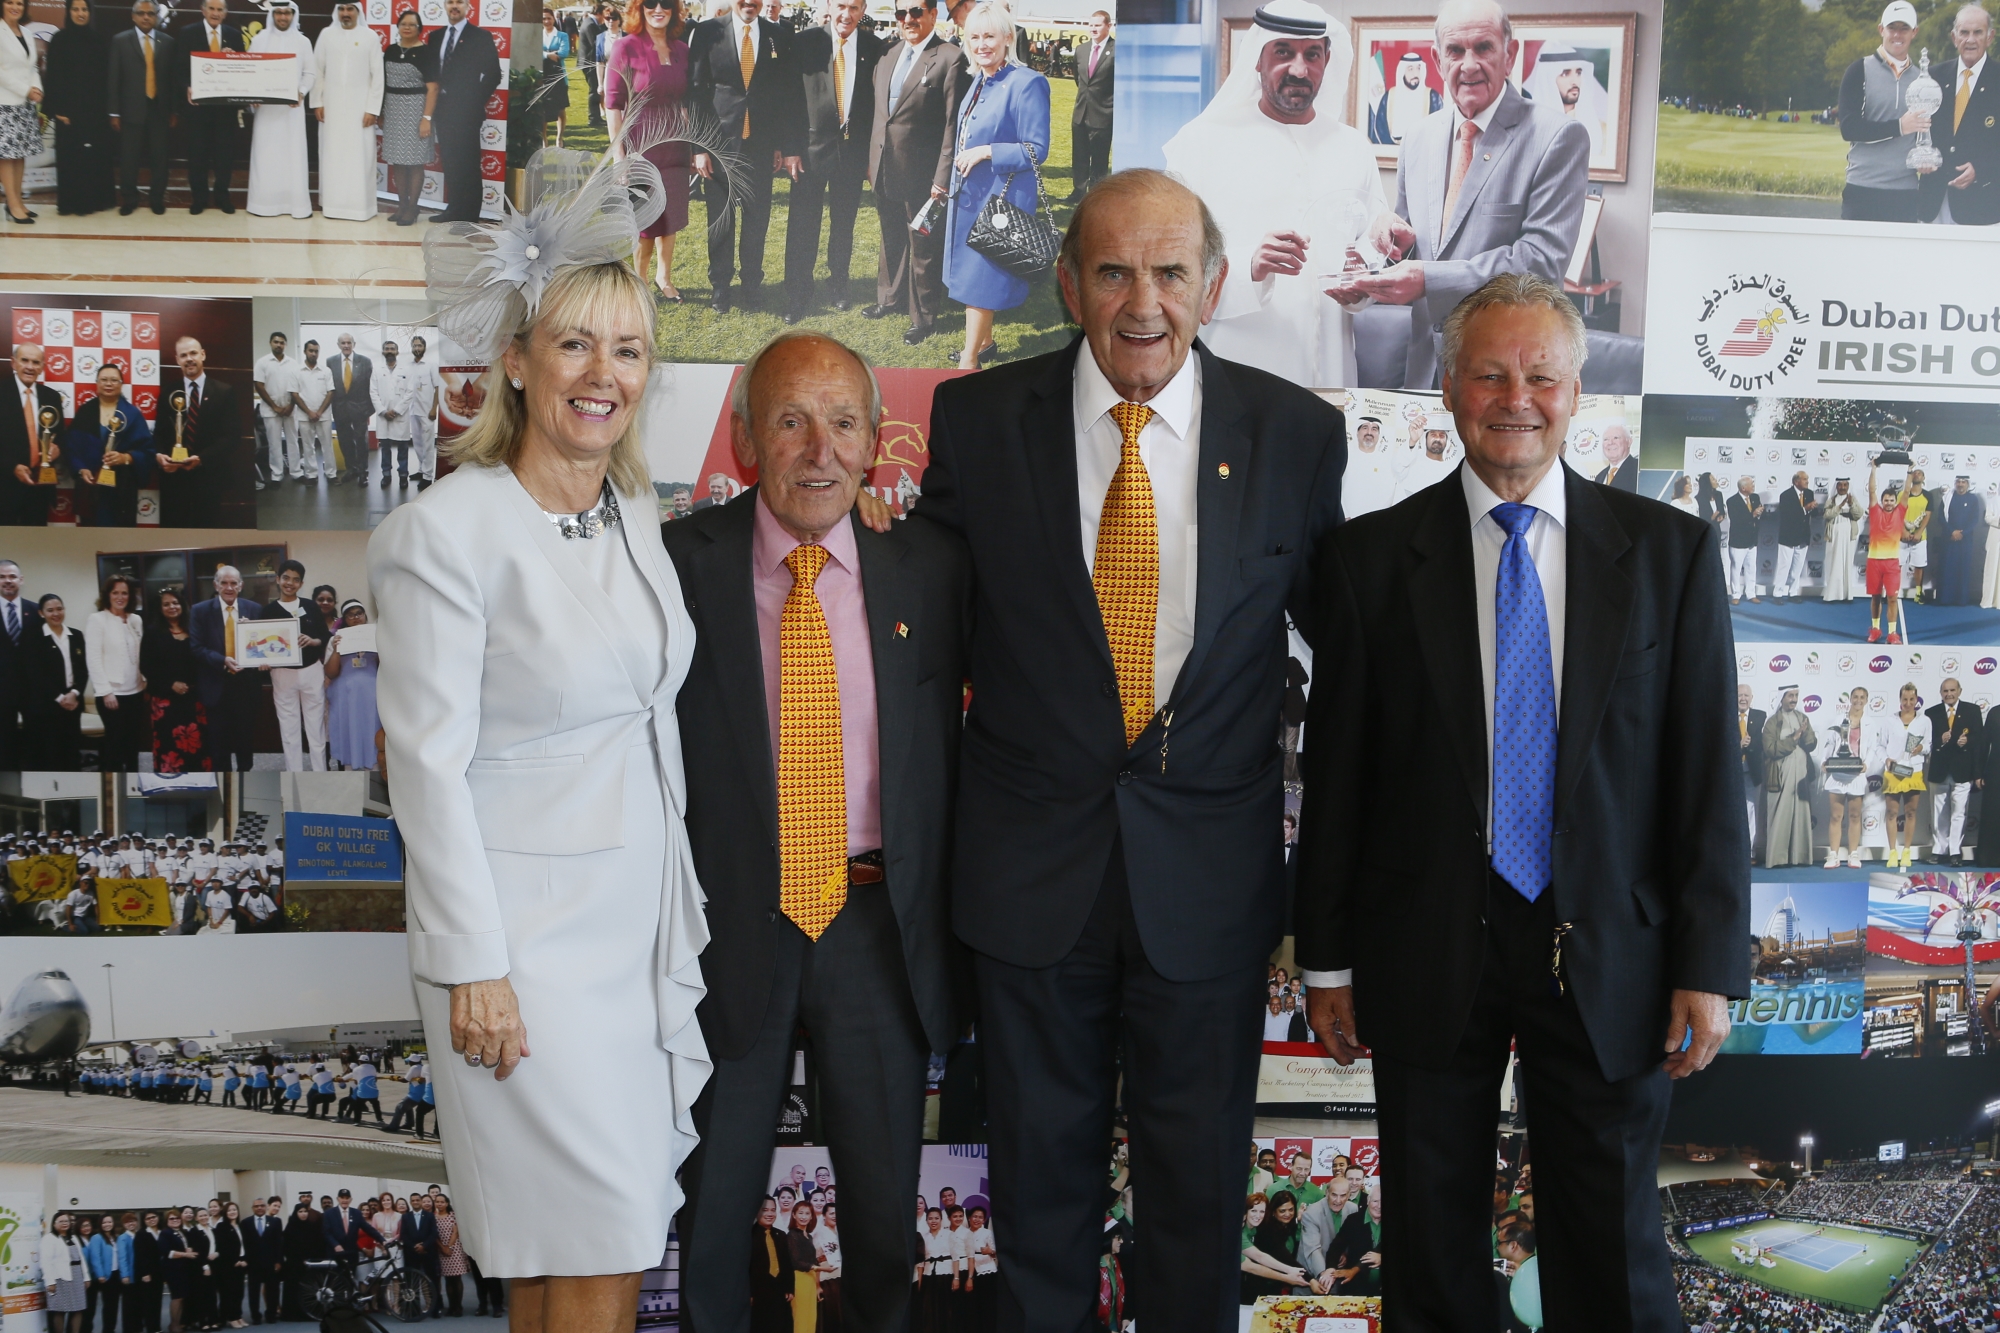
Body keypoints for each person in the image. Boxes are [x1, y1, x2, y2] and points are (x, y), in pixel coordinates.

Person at [911, 168, 1344, 1329]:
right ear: (1066, 285)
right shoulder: (977, 423)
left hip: (1205, 889)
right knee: (1037, 1201)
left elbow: (1347, 651)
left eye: (1166, 272)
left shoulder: (1294, 434)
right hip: (1027, 884)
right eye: (1111, 271)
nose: (1140, 302)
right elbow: (920, 636)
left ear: (1209, 285)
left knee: (1197, 1203)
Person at [1297, 273, 1747, 1332]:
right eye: (1489, 373)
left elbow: (1702, 777)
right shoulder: (1367, 561)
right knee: (1429, 1241)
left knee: (1613, 1249)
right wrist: (1325, 958)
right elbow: (1338, 775)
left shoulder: (1667, 556)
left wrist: (1706, 963)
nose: (1515, 396)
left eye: (1539, 374)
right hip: (1423, 947)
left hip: (1610, 954)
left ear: (1576, 390)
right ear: (1447, 388)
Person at [369, 165, 709, 1330]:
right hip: (523, 954)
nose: (601, 376)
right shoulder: (442, 532)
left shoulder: (633, 513)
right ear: (516, 359)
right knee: (591, 1241)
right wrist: (474, 964)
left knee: (589, 1249)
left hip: (632, 930)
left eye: (625, 350)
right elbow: (424, 762)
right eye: (573, 346)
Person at [664, 332, 966, 1333]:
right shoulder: (673, 567)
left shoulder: (928, 568)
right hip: (728, 932)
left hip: (877, 928)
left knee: (885, 1220)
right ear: (747, 439)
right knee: (708, 1213)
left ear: (877, 442)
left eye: (842, 424)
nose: (817, 450)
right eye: (789, 420)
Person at [1354, 0, 1590, 390]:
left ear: (1509, 54)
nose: (1468, 64)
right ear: (1437, 59)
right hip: (1423, 368)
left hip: (1508, 372)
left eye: (1483, 47)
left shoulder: (1557, 136)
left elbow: (1542, 262)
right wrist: (1390, 240)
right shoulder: (1417, 137)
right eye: (1455, 50)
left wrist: (1428, 278)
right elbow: (1413, 248)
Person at [1161, 0, 1385, 389]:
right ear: (1258, 58)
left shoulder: (1353, 148)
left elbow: (1370, 254)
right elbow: (1168, 267)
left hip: (1331, 379)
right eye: (1283, 52)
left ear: (1326, 59)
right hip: (1235, 374)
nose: (1299, 69)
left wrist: (1362, 281)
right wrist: (1250, 267)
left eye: (1312, 54)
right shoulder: (1200, 144)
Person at [941, 4, 1049, 371]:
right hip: (970, 196)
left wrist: (987, 151)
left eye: (989, 36)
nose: (982, 44)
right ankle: (985, 342)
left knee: (979, 280)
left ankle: (968, 361)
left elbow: (1037, 149)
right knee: (973, 277)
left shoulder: (1028, 82)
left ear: (1008, 38)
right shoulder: (979, 78)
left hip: (1001, 199)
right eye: (974, 37)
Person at [689, 0, 805, 312]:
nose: (749, 2)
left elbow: (784, 95)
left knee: (757, 220)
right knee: (721, 220)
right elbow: (697, 92)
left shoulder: (777, 35)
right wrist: (699, 148)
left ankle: (752, 284)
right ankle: (721, 287)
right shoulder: (707, 32)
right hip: (718, 146)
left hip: (760, 147)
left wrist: (781, 144)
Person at [863, 0, 968, 343]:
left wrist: (942, 177)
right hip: (883, 168)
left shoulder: (950, 58)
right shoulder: (888, 54)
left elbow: (953, 126)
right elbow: (881, 116)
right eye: (901, 13)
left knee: (923, 246)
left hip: (924, 174)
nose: (908, 19)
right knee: (890, 237)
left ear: (933, 15)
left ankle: (923, 318)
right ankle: (889, 299)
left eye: (916, 12)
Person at [782, 0, 882, 322]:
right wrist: (791, 148)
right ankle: (798, 292)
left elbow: (875, 108)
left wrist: (871, 156)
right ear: (828, 5)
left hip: (852, 155)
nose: (846, 14)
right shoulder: (805, 42)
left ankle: (838, 284)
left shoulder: (874, 48)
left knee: (844, 224)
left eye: (854, 7)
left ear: (863, 9)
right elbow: (790, 99)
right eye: (841, 5)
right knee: (802, 225)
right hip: (809, 154)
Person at [604, 0, 694, 302]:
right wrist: (620, 156)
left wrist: (690, 145)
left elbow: (685, 102)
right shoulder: (625, 47)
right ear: (639, 9)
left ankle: (664, 277)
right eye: (651, 3)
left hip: (676, 146)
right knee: (645, 220)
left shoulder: (682, 49)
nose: (659, 8)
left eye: (666, 3)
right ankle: (639, 280)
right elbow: (613, 105)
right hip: (641, 145)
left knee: (672, 216)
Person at [1839, 0, 1935, 222]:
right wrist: (1900, 126)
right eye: (1892, 28)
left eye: (1904, 28)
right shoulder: (1858, 71)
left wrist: (1929, 158)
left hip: (1906, 192)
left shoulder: (1924, 80)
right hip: (1862, 189)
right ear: (1881, 29)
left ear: (1915, 32)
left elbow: (1929, 132)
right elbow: (1849, 128)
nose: (1897, 35)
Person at [426, 0, 504, 222]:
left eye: (459, 2)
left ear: (468, 6)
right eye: (450, 2)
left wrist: (473, 100)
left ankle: (469, 216)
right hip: (442, 110)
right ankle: (453, 209)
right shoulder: (436, 37)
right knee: (450, 160)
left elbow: (493, 75)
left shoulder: (480, 37)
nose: (454, 6)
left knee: (468, 162)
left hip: (467, 112)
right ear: (445, 6)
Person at [190, 565, 267, 772]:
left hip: (246, 686)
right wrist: (222, 660)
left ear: (241, 586)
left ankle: (245, 772)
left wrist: (263, 657)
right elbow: (196, 647)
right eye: (224, 583)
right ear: (216, 585)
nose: (229, 587)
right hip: (216, 685)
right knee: (218, 741)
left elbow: (263, 644)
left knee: (245, 738)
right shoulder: (200, 611)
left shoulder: (255, 609)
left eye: (233, 583)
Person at [313, 1, 385, 223]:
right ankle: (332, 204)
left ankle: (360, 207)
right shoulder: (326, 34)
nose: (346, 13)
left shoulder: (370, 36)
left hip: (360, 110)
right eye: (342, 9)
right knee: (332, 154)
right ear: (337, 12)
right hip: (331, 109)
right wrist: (318, 102)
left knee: (359, 156)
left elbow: (378, 76)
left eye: (350, 9)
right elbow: (318, 70)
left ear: (357, 12)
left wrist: (372, 109)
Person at [42, 0, 115, 217]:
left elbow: (105, 79)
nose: (80, 13)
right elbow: (53, 76)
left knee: (93, 157)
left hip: (94, 111)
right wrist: (58, 109)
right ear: (68, 12)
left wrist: (106, 110)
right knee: (70, 157)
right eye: (76, 9)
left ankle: (94, 201)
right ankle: (71, 203)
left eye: (84, 9)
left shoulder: (98, 40)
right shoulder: (59, 39)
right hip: (68, 112)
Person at [246, 0, 315, 219]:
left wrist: (301, 92)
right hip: (266, 113)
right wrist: (252, 96)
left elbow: (310, 74)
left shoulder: (303, 42)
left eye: (287, 13)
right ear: (272, 15)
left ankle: (295, 205)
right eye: (279, 13)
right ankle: (262, 204)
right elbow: (249, 71)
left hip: (291, 112)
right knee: (265, 157)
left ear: (293, 15)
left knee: (292, 156)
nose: (283, 17)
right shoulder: (259, 39)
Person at [1929, 3, 1997, 225]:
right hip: (1934, 203)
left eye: (1978, 32)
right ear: (1953, 37)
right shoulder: (1932, 78)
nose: (1970, 39)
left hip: (1983, 206)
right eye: (1964, 32)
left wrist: (1981, 169)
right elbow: (1920, 131)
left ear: (1990, 36)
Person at [260, 558, 330, 771]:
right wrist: (262, 662)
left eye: (296, 580)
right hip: (283, 674)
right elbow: (262, 646)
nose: (290, 583)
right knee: (289, 730)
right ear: (278, 579)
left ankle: (320, 773)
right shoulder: (268, 611)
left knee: (316, 729)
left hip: (311, 672)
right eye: (286, 578)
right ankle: (295, 773)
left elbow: (323, 637)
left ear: (301, 583)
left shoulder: (310, 606)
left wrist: (313, 640)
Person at [109, 0, 177, 217]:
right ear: (133, 16)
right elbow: (113, 79)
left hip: (160, 110)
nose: (146, 17)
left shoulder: (168, 42)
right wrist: (114, 112)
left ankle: (157, 199)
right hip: (130, 110)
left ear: (157, 16)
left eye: (151, 13)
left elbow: (172, 80)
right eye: (141, 13)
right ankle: (129, 199)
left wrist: (174, 110)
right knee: (129, 159)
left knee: (160, 158)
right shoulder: (120, 41)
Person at [64, 363, 153, 528]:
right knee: (91, 538)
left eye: (114, 380)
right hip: (91, 488)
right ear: (97, 384)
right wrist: (80, 469)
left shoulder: (132, 414)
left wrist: (126, 458)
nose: (109, 384)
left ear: (121, 384)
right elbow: (71, 448)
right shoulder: (85, 411)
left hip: (122, 489)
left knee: (120, 541)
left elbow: (147, 452)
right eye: (104, 380)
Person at [176, 0, 244, 213]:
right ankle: (199, 198)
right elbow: (177, 68)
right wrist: (187, 85)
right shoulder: (188, 33)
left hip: (225, 109)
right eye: (211, 9)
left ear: (225, 13)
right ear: (203, 10)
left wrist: (232, 60)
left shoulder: (234, 35)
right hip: (198, 109)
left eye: (219, 10)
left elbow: (242, 69)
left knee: (224, 156)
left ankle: (222, 197)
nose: (215, 13)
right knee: (198, 156)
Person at [160, 337, 234, 530]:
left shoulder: (224, 392)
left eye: (193, 353)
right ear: (177, 360)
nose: (189, 359)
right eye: (183, 355)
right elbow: (159, 435)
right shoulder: (168, 391)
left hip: (209, 477)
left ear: (203, 354)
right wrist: (159, 456)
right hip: (175, 481)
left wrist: (201, 458)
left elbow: (232, 438)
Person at [141, 585, 209, 774]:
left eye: (175, 603)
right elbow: (146, 666)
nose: (172, 607)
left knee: (196, 744)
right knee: (169, 746)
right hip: (165, 700)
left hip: (193, 699)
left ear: (182, 605)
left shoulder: (194, 629)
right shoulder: (153, 632)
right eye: (166, 604)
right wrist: (171, 684)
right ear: (160, 608)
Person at [381, 11, 440, 226]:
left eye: (412, 25)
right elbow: (383, 84)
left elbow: (433, 88)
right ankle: (402, 205)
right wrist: (381, 112)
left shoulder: (427, 52)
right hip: (394, 110)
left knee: (414, 162)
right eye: (403, 24)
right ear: (397, 26)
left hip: (417, 110)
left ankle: (413, 207)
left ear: (419, 28)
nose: (407, 28)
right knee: (398, 161)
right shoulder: (390, 50)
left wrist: (426, 118)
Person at [84, 574, 146, 772]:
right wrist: (105, 691)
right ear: (107, 595)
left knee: (134, 744)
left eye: (125, 593)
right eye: (115, 592)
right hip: (112, 695)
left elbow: (140, 655)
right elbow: (93, 659)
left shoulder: (135, 620)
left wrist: (145, 684)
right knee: (115, 746)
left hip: (136, 692)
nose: (120, 597)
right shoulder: (97, 620)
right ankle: (114, 785)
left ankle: (135, 783)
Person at [2, 343, 65, 526]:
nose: (30, 366)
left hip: (40, 488)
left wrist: (57, 449)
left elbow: (60, 435)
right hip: (5, 486)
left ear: (42, 367)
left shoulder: (52, 397)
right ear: (13, 363)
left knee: (36, 546)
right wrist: (12, 467)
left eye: (36, 362)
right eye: (24, 360)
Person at [23, 592, 87, 769]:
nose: (56, 613)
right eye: (50, 610)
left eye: (59, 609)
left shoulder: (76, 636)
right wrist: (60, 698)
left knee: (72, 752)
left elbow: (83, 670)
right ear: (41, 613)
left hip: (73, 705)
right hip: (48, 707)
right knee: (52, 754)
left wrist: (74, 694)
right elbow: (36, 674)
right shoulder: (34, 638)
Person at [1927, 677, 1981, 865]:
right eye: (1945, 691)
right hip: (1939, 770)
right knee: (1939, 812)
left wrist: (1968, 742)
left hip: (1962, 770)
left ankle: (1955, 851)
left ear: (1959, 691)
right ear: (1941, 693)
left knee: (1959, 812)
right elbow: (1926, 742)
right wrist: (1939, 740)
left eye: (1952, 690)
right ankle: (1939, 850)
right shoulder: (1931, 713)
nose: (1949, 694)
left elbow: (1979, 739)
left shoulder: (1972, 710)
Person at [1762, 685, 1817, 868]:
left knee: (1801, 814)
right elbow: (1770, 750)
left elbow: (1810, 746)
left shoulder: (1803, 718)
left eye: (1796, 695)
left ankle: (1800, 857)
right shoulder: (1772, 722)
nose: (1794, 699)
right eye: (1790, 696)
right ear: (1782, 698)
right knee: (1780, 815)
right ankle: (1777, 859)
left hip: (1801, 775)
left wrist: (1806, 734)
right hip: (1780, 775)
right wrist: (1793, 738)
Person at [1821, 686, 1874, 870]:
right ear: (1850, 699)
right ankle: (1833, 855)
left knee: (1854, 816)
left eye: (1862, 697)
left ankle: (1853, 854)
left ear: (1866, 700)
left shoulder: (1869, 723)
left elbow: (1872, 748)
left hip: (1856, 774)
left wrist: (1866, 763)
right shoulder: (1839, 720)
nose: (1858, 700)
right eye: (1855, 697)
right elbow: (1830, 742)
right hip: (1837, 773)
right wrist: (1825, 761)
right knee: (1836, 816)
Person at [0, 0, 40, 228]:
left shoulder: (26, 32)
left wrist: (37, 88)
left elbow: (32, 67)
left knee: (20, 153)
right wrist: (26, 90)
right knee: (7, 155)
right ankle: (12, 203)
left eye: (19, 3)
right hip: (4, 102)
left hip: (24, 104)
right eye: (9, 2)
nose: (15, 7)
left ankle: (16, 202)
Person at [1883, 681, 1930, 870]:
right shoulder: (1889, 720)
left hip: (1914, 771)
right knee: (1892, 813)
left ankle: (1907, 851)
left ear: (1917, 700)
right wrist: (1886, 759)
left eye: (1912, 699)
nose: (1908, 702)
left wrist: (1922, 748)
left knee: (1910, 812)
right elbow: (1880, 745)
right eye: (1905, 699)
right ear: (1900, 700)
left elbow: (1929, 745)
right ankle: (1892, 851)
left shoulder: (1925, 721)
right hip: (1893, 771)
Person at [1069, 10, 1111, 199]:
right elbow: (1079, 79)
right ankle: (1078, 191)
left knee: (1100, 159)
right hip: (1081, 112)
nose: (1093, 29)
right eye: (1091, 25)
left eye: (1098, 25)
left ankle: (1096, 195)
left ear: (1108, 26)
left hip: (1103, 114)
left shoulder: (1117, 50)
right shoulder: (1081, 49)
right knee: (1079, 155)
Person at [1867, 464, 1910, 642]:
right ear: (1882, 501)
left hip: (1892, 562)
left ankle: (1892, 633)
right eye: (1886, 500)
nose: (1889, 503)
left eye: (1892, 500)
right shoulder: (1875, 511)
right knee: (1876, 598)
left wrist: (1909, 471)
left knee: (1892, 598)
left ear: (1895, 501)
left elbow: (1906, 492)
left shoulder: (1900, 512)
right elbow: (1871, 491)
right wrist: (1874, 469)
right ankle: (1876, 629)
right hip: (1874, 561)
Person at [255, 331, 303, 485]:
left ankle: (296, 472)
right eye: (276, 342)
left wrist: (290, 405)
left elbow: (297, 387)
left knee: (293, 441)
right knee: (274, 443)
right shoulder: (262, 362)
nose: (279, 345)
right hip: (270, 410)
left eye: (282, 342)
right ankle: (277, 474)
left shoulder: (293, 363)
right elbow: (259, 386)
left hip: (290, 408)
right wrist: (274, 406)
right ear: (270, 343)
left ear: (285, 345)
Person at [370, 339, 419, 489]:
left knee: (403, 448)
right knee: (385, 448)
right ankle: (386, 475)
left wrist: (397, 410)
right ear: (383, 352)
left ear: (397, 352)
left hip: (400, 416)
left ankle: (403, 475)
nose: (390, 351)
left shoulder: (406, 370)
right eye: (387, 349)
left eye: (392, 349)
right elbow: (373, 392)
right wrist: (383, 411)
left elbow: (411, 392)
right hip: (383, 416)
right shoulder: (377, 370)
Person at [326, 334, 374, 485]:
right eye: (343, 343)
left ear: (354, 344)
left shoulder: (365, 361)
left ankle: (363, 472)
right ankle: (351, 469)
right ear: (338, 344)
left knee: (361, 441)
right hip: (340, 409)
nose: (346, 345)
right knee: (345, 441)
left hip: (360, 409)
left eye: (349, 343)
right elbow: (329, 385)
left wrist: (369, 410)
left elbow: (370, 387)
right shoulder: (330, 362)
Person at [1370, 50, 1440, 145]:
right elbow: (1380, 127)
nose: (1415, 74)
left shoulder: (1432, 97)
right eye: (1410, 69)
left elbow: (1437, 128)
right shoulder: (1390, 96)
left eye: (1418, 69)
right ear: (1402, 71)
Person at [291, 339, 336, 481]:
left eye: (316, 351)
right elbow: (294, 394)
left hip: (324, 415)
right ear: (305, 351)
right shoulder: (296, 371)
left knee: (327, 445)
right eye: (311, 351)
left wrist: (319, 412)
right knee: (308, 446)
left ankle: (331, 474)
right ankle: (311, 475)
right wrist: (309, 412)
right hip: (305, 416)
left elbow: (330, 393)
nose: (313, 354)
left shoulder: (326, 370)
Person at [1939, 474, 1987, 604]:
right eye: (1958, 482)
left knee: (1963, 570)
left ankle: (1961, 600)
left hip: (1965, 541)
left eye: (1963, 482)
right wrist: (1952, 531)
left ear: (1968, 484)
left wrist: (1963, 533)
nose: (1960, 484)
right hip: (1949, 539)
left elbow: (1974, 519)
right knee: (1948, 569)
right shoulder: (1947, 498)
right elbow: (1941, 517)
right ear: (1955, 483)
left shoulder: (1973, 499)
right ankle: (1946, 599)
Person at [1771, 471, 1817, 602]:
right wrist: (1805, 508)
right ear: (1796, 481)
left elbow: (1810, 515)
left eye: (1807, 479)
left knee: (1798, 566)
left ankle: (1793, 592)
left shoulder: (1809, 493)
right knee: (1784, 565)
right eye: (1804, 479)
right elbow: (1787, 515)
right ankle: (1778, 594)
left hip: (1803, 536)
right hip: (1788, 536)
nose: (1807, 481)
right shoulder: (1786, 495)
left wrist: (1813, 509)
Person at [407, 335, 444, 489]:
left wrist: (434, 408)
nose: (417, 349)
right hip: (412, 410)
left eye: (419, 346)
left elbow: (438, 388)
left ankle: (428, 477)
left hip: (427, 411)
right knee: (417, 443)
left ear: (424, 347)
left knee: (428, 444)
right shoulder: (408, 366)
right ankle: (421, 470)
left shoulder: (431, 365)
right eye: (414, 346)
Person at [241, 1197, 285, 1326]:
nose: (259, 1208)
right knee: (253, 1292)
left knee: (272, 1290)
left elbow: (279, 1243)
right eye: (256, 1206)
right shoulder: (245, 1223)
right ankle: (256, 1316)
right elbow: (243, 1244)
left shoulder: (275, 1222)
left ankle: (271, 1314)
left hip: (271, 1263)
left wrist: (278, 1261)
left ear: (266, 1207)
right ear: (252, 1208)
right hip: (253, 1264)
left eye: (261, 1205)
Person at [44, 1213, 88, 1332]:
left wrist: (86, 1277)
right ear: (54, 1223)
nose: (64, 1223)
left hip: (77, 1276)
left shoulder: (73, 1238)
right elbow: (45, 1262)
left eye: (67, 1221)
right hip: (60, 1277)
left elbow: (81, 1259)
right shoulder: (49, 1238)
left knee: (78, 1308)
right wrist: (50, 1282)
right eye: (61, 1221)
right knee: (60, 1309)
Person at [1820, 477, 1863, 601]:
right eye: (1840, 485)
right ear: (1836, 486)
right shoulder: (1831, 500)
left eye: (1845, 485)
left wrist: (1850, 504)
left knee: (1846, 563)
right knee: (1833, 564)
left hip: (1848, 535)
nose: (1843, 487)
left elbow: (1858, 515)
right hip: (1834, 535)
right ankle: (1832, 595)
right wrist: (1839, 507)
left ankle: (1847, 595)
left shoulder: (1852, 499)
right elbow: (1827, 515)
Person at [1725, 476, 1762, 604]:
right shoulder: (1732, 501)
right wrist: (1753, 514)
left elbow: (1758, 515)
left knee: (1751, 568)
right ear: (1743, 488)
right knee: (1736, 568)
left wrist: (1759, 513)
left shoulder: (1755, 498)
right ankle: (1735, 594)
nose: (1753, 486)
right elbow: (1736, 520)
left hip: (1752, 540)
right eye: (1751, 484)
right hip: (1738, 541)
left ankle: (1751, 593)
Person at [539, 7, 571, 147]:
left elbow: (564, 53)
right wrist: (548, 55)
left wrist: (544, 53)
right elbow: (534, 51)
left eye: (549, 18)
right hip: (542, 75)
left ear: (554, 19)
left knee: (561, 108)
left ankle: (559, 137)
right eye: (544, 18)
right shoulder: (538, 35)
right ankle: (544, 138)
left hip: (558, 76)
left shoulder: (562, 35)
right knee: (543, 108)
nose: (547, 21)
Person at [213, 1201, 247, 1328]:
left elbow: (245, 1246)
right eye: (229, 1210)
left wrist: (245, 1259)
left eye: (234, 1209)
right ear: (225, 1213)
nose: (232, 1212)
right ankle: (231, 1318)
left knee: (239, 1293)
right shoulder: (221, 1226)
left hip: (241, 1264)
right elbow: (222, 1247)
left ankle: (238, 1316)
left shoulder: (240, 1226)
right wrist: (234, 1260)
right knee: (228, 1294)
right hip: (228, 1266)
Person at [435, 1196, 469, 1317]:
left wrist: (448, 1246)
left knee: (457, 1279)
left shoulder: (453, 1215)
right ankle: (451, 1306)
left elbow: (456, 1232)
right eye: (437, 1202)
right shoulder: (434, 1217)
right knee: (448, 1280)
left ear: (447, 1203)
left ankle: (458, 1306)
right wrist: (442, 1247)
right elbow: (435, 1236)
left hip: (454, 1250)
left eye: (442, 1202)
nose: (440, 1204)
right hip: (441, 1251)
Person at [1593, 425, 1636, 491]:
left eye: (1616, 438)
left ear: (1629, 442)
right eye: (1606, 439)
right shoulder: (1599, 477)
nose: (1610, 442)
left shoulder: (1638, 470)